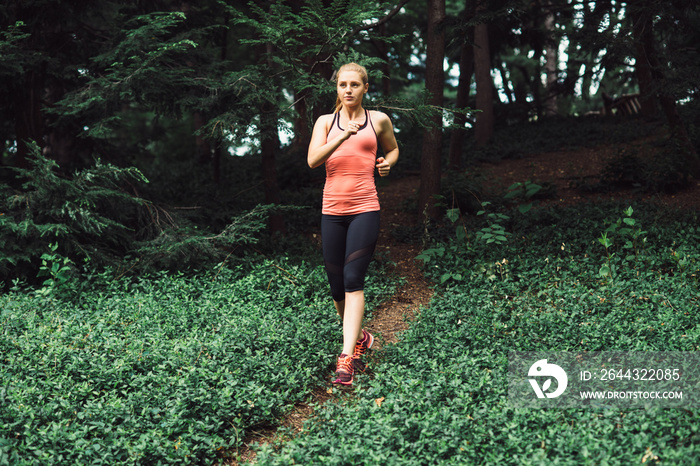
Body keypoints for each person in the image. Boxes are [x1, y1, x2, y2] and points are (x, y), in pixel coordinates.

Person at [307, 62, 399, 386]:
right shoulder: (325, 122)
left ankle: (346, 358)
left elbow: (393, 148)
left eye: (354, 85)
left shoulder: (378, 121)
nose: (348, 90)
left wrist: (388, 163)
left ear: (365, 88)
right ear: (337, 89)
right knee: (336, 286)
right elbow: (313, 160)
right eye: (342, 85)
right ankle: (359, 337)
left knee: (352, 277)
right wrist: (342, 135)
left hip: (365, 209)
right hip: (332, 210)